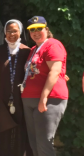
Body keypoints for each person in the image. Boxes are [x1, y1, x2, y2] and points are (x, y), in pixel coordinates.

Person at [0, 19, 34, 156]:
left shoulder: (27, 52)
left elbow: (38, 68)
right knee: (1, 131)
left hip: (21, 98)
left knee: (20, 131)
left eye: (15, 31)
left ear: (20, 32)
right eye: (8, 31)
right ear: (4, 33)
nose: (11, 34)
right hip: (1, 97)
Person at [21, 16, 68, 156]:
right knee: (34, 144)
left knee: (44, 144)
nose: (35, 32)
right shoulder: (34, 49)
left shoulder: (53, 44)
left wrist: (43, 97)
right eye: (32, 30)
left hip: (49, 99)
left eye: (39, 29)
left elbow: (54, 71)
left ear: (46, 29)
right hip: (30, 99)